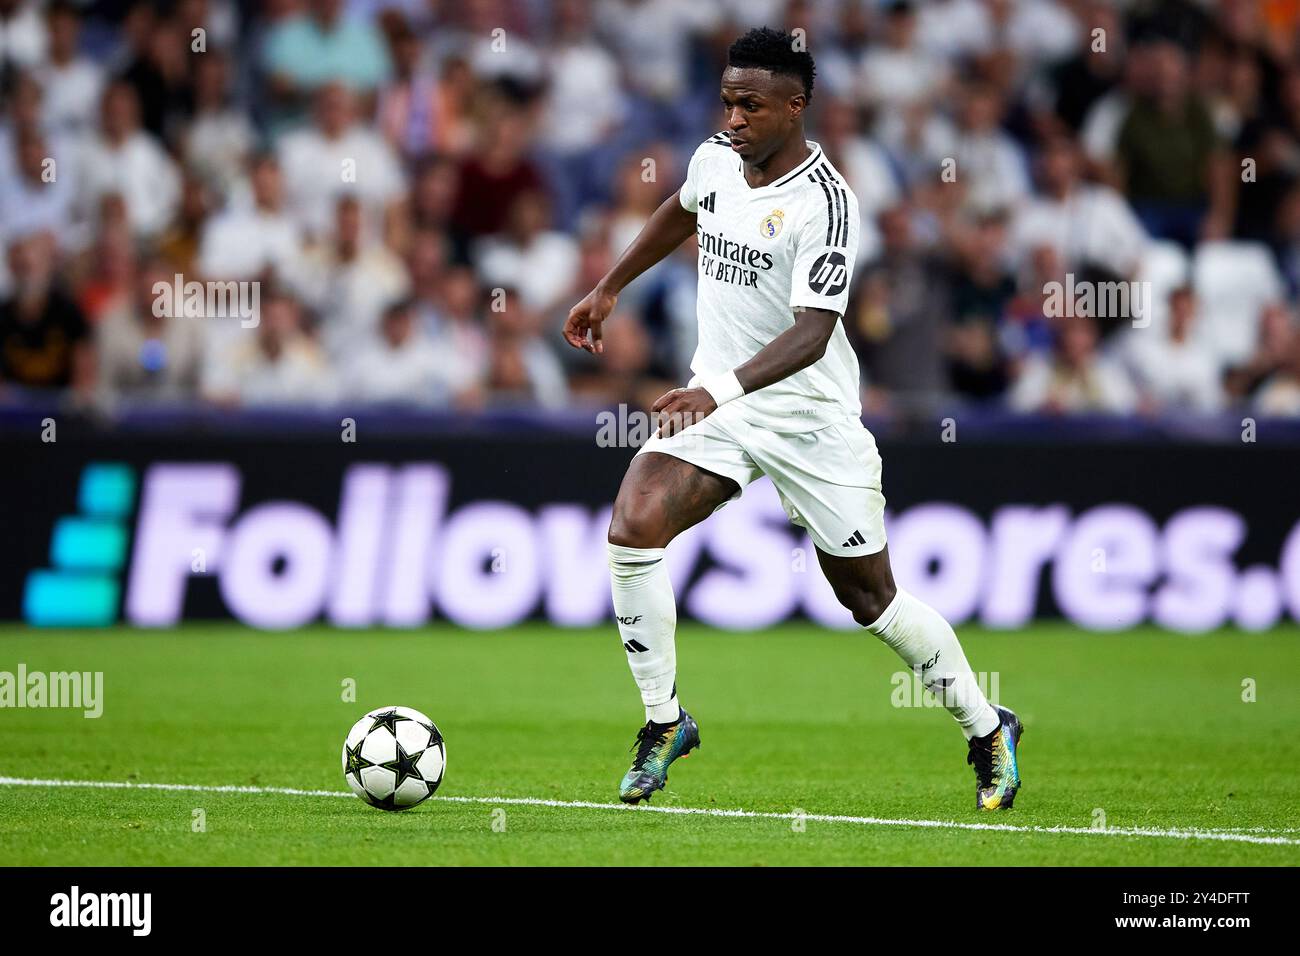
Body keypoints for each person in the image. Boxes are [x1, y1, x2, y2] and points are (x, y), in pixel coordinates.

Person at [563, 28, 1022, 811]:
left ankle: (987, 727)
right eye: (728, 101)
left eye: (750, 105)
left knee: (870, 600)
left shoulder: (827, 202)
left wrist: (718, 392)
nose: (733, 117)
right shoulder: (716, 159)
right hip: (722, 403)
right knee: (633, 526)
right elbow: (683, 209)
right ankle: (665, 721)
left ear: (794, 107)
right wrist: (610, 287)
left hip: (810, 420)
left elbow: (813, 334)